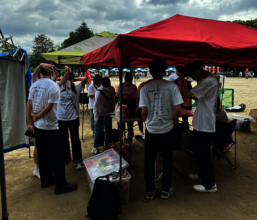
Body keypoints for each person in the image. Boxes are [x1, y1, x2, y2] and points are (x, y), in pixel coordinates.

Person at [26, 66, 77, 195]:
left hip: (37, 126)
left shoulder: (35, 84)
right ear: (51, 71)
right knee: (57, 156)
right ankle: (60, 185)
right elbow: (49, 107)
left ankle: (46, 180)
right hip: (49, 126)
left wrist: (31, 123)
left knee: (43, 156)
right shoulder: (52, 85)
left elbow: (28, 105)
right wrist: (37, 116)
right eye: (55, 71)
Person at [139, 59, 183, 200]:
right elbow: (178, 109)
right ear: (165, 70)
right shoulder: (172, 86)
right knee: (167, 159)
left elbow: (144, 111)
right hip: (168, 128)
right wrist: (174, 122)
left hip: (151, 129)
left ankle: (150, 190)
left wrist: (147, 122)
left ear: (150, 71)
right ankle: (166, 189)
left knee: (149, 160)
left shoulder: (145, 88)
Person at [179, 61, 219, 193]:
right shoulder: (207, 80)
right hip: (202, 122)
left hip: (205, 124)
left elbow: (188, 94)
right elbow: (198, 97)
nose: (193, 79)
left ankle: (209, 184)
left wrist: (180, 79)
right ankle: (202, 174)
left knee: (204, 154)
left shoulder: (208, 81)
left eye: (192, 76)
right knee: (200, 153)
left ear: (197, 71)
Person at [30, 62, 60, 178]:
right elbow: (48, 107)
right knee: (40, 147)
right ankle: (37, 168)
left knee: (41, 148)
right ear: (52, 71)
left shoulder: (39, 84)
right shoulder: (43, 84)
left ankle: (42, 170)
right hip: (40, 122)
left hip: (36, 121)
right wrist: (35, 118)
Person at [57, 70, 88, 169]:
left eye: (70, 80)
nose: (68, 82)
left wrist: (72, 78)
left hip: (73, 117)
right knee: (63, 139)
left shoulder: (77, 88)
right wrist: (63, 79)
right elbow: (52, 80)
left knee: (75, 139)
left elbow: (84, 79)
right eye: (66, 79)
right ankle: (66, 157)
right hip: (60, 118)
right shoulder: (59, 87)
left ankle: (78, 160)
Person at [93, 77, 116, 154]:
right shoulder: (98, 92)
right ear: (102, 85)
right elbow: (95, 106)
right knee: (99, 130)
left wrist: (112, 111)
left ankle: (108, 144)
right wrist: (96, 119)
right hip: (100, 113)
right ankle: (95, 147)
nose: (107, 88)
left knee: (108, 129)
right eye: (106, 86)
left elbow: (113, 101)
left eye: (108, 86)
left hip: (108, 113)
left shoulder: (112, 89)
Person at [117, 72, 138, 145]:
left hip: (131, 107)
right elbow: (118, 95)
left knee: (130, 125)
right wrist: (123, 97)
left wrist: (129, 97)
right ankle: (121, 140)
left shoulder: (134, 87)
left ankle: (130, 140)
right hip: (122, 107)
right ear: (124, 80)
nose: (128, 83)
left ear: (132, 81)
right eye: (127, 81)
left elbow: (136, 97)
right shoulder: (121, 85)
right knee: (121, 125)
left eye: (129, 81)